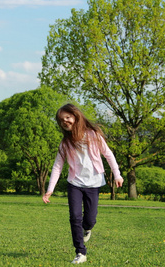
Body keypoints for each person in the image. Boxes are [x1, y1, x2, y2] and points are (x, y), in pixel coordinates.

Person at [42, 103, 123, 264]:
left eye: (68, 117)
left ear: (76, 116)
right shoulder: (65, 143)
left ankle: (87, 228)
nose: (65, 121)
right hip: (75, 183)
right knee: (74, 217)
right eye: (61, 120)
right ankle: (80, 252)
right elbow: (57, 167)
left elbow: (108, 154)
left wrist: (117, 175)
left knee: (90, 219)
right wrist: (49, 189)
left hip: (93, 183)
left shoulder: (93, 135)